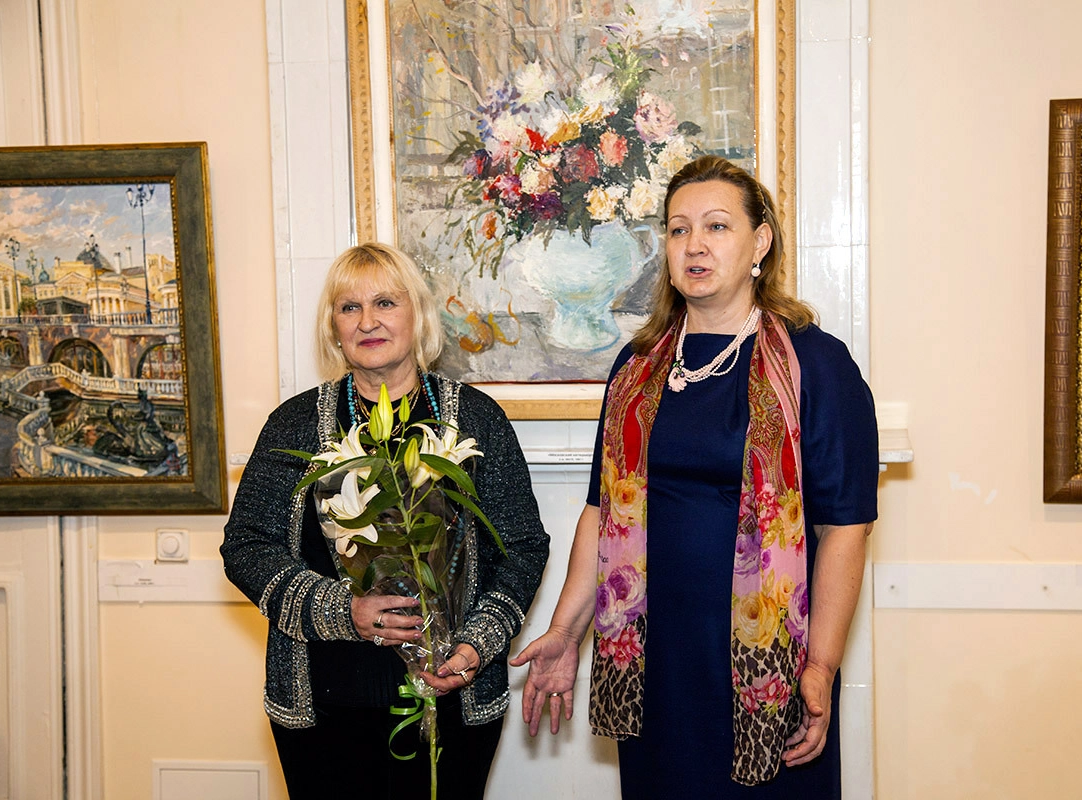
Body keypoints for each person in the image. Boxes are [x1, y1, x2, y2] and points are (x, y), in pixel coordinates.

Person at [510, 155, 878, 798]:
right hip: (653, 656)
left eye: (716, 226)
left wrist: (821, 664)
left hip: (769, 663)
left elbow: (845, 528)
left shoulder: (817, 365)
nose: (694, 244)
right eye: (678, 229)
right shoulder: (636, 366)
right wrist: (565, 633)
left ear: (760, 243)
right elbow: (603, 511)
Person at [222, 242, 549, 799]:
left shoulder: (477, 419)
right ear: (333, 326)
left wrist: (475, 645)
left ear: (417, 315)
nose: (367, 321)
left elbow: (522, 547)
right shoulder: (293, 424)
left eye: (385, 303)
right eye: (349, 307)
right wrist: (341, 611)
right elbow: (246, 546)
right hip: (324, 709)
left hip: (453, 702)